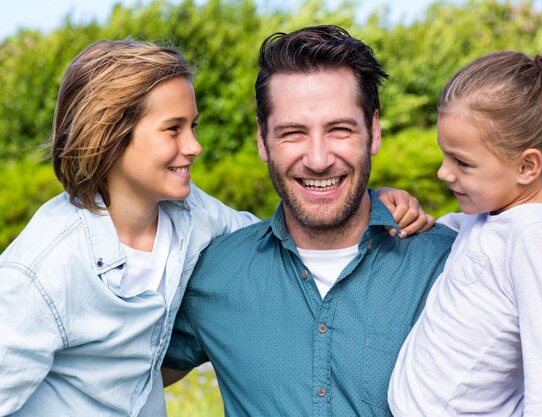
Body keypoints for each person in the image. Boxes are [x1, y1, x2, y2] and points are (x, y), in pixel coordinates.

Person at [0, 39, 425, 417]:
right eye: (173, 130)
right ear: (111, 136)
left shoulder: (193, 215)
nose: (195, 146)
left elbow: (288, 233)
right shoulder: (40, 271)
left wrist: (374, 202)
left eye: (193, 125)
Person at [158, 25, 456, 417]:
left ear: (374, 131)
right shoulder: (214, 274)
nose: (318, 159)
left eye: (339, 130)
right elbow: (122, 377)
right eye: (293, 133)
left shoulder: (449, 266)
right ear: (263, 140)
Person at [388, 45, 542, 416]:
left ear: (527, 166)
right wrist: (404, 210)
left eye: (462, 162)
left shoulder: (536, 236)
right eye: (444, 155)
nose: (444, 173)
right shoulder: (490, 214)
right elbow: (460, 236)